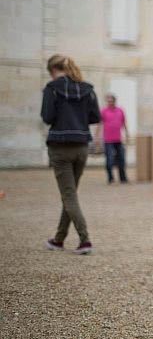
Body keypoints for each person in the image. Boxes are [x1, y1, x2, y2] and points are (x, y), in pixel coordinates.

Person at [41, 54, 100, 255]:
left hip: (60, 147)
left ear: (52, 70)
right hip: (82, 146)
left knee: (69, 195)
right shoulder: (88, 89)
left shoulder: (52, 89)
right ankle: (58, 240)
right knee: (70, 195)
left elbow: (47, 117)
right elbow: (95, 117)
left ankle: (85, 240)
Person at [99, 93, 129, 184]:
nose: (110, 102)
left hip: (118, 139)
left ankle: (123, 178)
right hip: (107, 139)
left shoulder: (120, 110)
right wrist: (96, 138)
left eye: (112, 101)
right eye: (108, 101)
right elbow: (99, 124)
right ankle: (110, 178)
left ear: (115, 101)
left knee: (121, 159)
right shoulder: (103, 111)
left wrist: (127, 135)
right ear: (107, 101)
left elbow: (124, 123)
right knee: (109, 159)